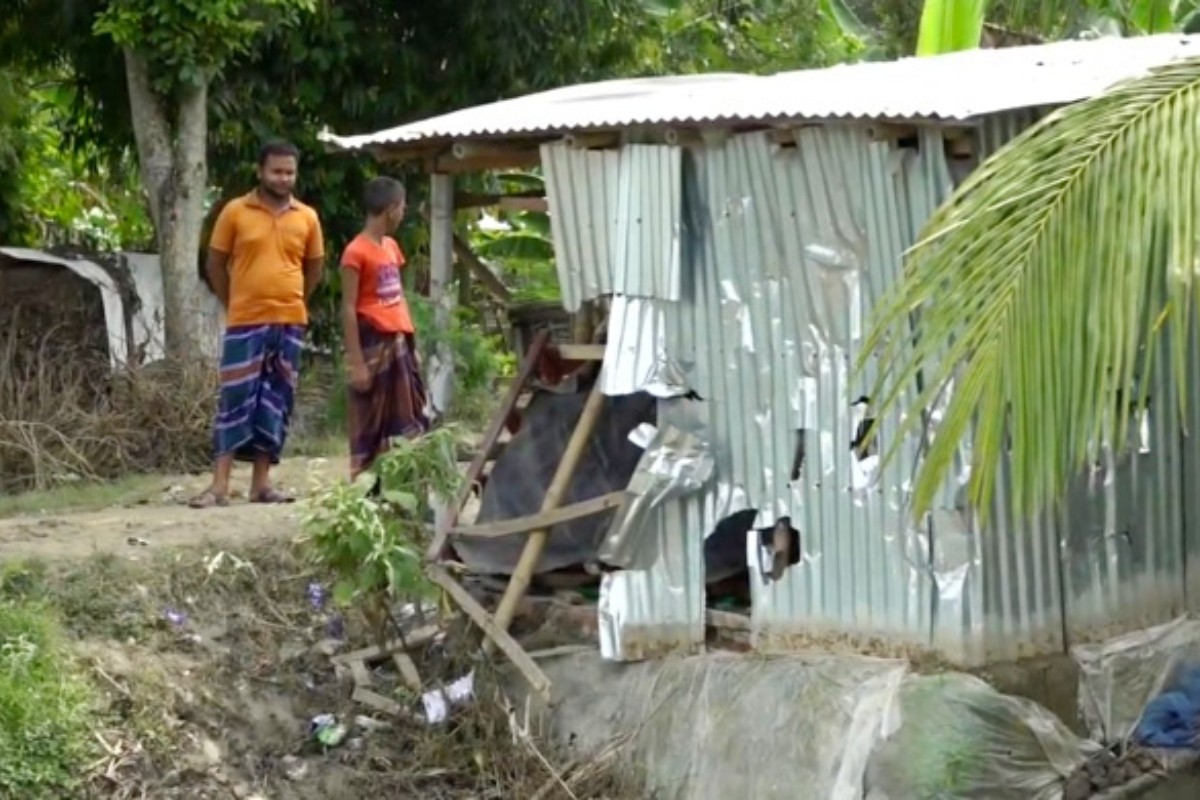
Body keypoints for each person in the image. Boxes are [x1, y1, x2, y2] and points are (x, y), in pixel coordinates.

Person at [189, 140, 325, 508]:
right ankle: (219, 487)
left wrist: (295, 299)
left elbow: (314, 269)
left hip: (290, 322)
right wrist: (233, 301)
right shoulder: (235, 211)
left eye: (290, 172)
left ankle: (261, 485)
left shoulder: (307, 217)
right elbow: (215, 264)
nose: (283, 178)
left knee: (276, 400)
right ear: (260, 172)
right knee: (234, 398)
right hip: (245, 321)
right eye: (277, 171)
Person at [340, 176, 430, 480]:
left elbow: (398, 295)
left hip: (398, 343)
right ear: (391, 209)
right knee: (372, 419)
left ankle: (403, 483)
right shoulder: (355, 252)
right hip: (373, 343)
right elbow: (349, 308)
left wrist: (410, 342)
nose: (403, 214)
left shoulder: (391, 247)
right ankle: (369, 484)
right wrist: (357, 364)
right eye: (402, 208)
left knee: (407, 419)